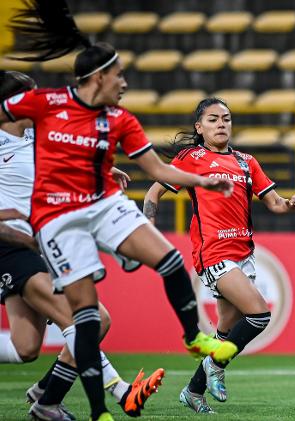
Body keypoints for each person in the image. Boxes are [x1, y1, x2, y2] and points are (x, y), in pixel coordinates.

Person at [3, 2, 237, 419]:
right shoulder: (43, 106)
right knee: (85, 321)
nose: (126, 83)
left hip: (85, 211)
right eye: (119, 76)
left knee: (166, 261)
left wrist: (201, 180)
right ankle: (99, 406)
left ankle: (191, 339)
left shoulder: (116, 120)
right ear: (98, 78)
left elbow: (156, 168)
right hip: (43, 231)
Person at [0, 71, 163, 421]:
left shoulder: (35, 138)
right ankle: (113, 392)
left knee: (25, 346)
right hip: (11, 249)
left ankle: (46, 393)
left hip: (41, 247)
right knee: (91, 320)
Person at [144, 98, 295, 413]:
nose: (222, 124)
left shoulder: (247, 162)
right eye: (214, 119)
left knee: (226, 331)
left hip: (244, 253)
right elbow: (154, 192)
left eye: (227, 119)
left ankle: (193, 391)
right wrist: (148, 228)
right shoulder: (191, 158)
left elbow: (274, 203)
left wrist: (291, 203)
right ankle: (215, 367)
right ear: (199, 127)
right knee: (259, 314)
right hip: (213, 252)